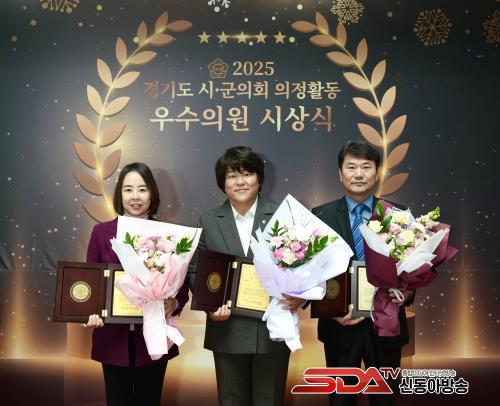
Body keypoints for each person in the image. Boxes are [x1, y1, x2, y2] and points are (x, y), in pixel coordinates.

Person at [187, 146, 304, 406]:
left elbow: (304, 264)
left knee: (269, 401)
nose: (240, 181)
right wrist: (210, 305)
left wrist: (300, 297)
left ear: (259, 178)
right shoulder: (208, 220)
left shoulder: (282, 215)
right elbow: (195, 270)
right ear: (223, 183)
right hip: (227, 329)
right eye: (232, 176)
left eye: (247, 174)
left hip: (272, 329)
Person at [312, 140, 413, 406]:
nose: (359, 174)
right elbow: (309, 273)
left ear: (377, 172)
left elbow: (411, 265)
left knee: (385, 400)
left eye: (366, 167)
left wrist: (407, 292)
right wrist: (329, 310)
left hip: (386, 324)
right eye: (351, 167)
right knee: (341, 401)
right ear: (340, 173)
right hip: (340, 324)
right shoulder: (320, 216)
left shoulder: (398, 215)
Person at [83, 162, 189, 406]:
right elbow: (92, 281)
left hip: (153, 338)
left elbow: (181, 284)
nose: (135, 196)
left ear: (152, 193)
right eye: (128, 189)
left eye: (142, 189)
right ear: (120, 194)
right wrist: (92, 311)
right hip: (113, 339)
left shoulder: (168, 235)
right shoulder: (101, 232)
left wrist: (174, 302)